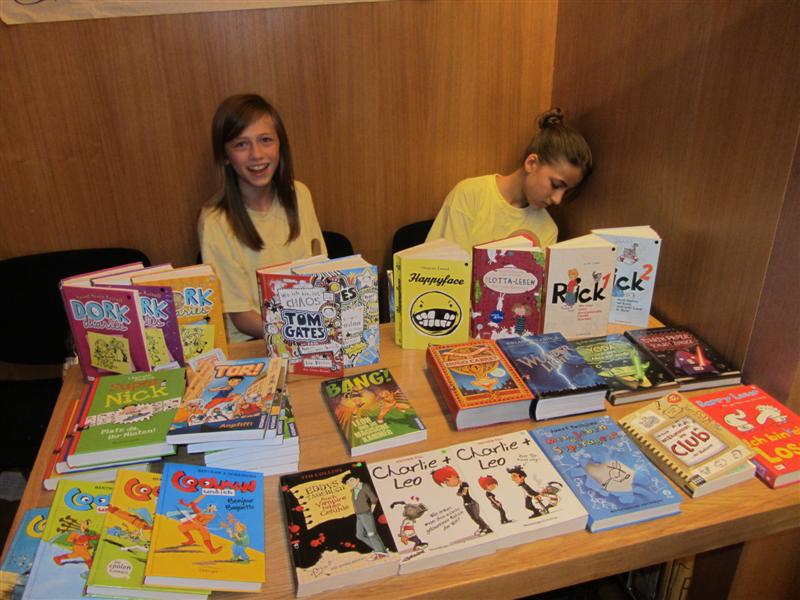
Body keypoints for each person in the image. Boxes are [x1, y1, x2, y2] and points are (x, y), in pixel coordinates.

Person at [199, 94, 327, 343]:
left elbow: (319, 272)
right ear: (225, 156)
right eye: (241, 145)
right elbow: (241, 317)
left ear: (280, 146)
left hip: (307, 331)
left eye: (265, 140)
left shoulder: (300, 195)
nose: (256, 154)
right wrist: (300, 335)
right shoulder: (214, 221)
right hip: (254, 341)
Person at [426, 108, 592, 251]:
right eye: (555, 185)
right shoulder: (470, 194)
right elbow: (441, 266)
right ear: (531, 163)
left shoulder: (548, 230)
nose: (558, 200)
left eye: (566, 191)